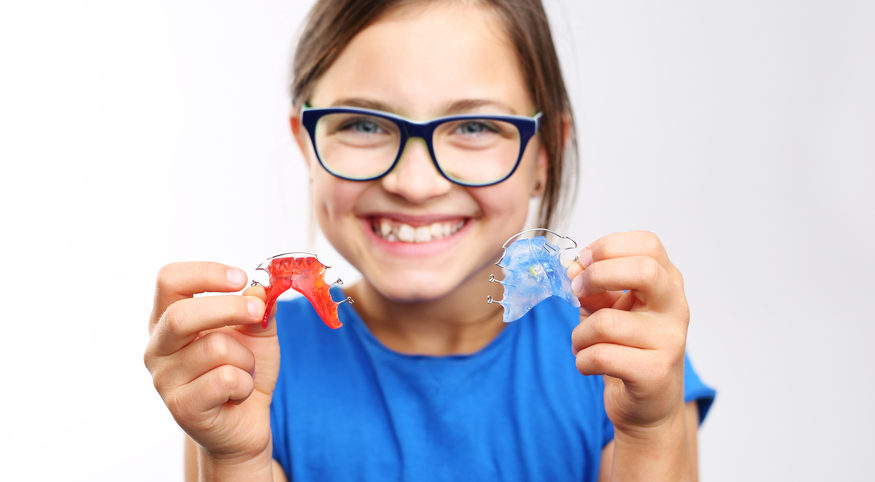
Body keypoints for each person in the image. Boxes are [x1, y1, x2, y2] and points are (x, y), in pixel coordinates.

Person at [144, 0, 716, 480]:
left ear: (546, 155)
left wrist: (651, 429)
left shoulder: (621, 357)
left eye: (473, 127)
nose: (415, 184)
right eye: (364, 124)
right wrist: (235, 456)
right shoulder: (252, 372)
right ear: (306, 145)